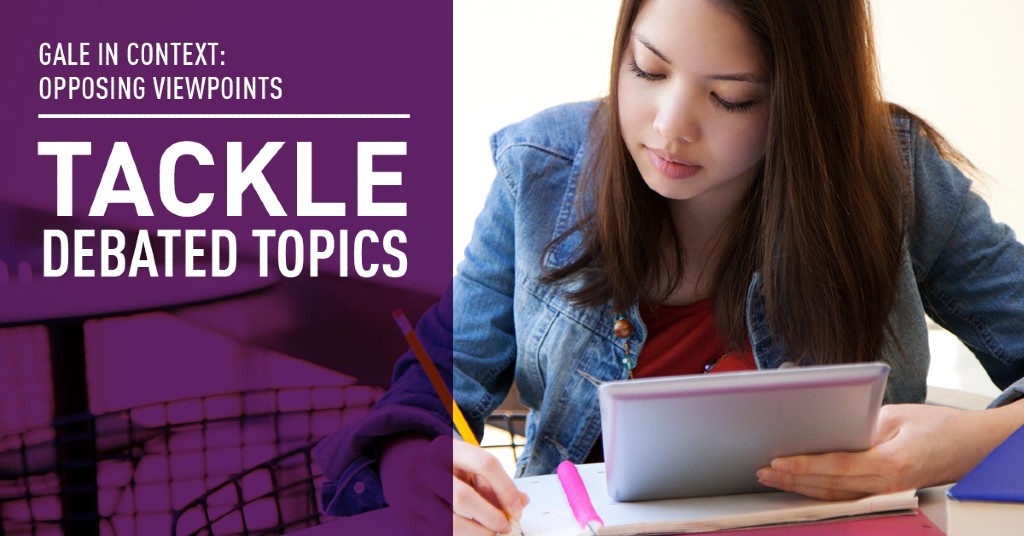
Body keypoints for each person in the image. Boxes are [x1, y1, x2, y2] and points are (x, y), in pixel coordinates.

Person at [314, 0, 1024, 534]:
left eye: (731, 96)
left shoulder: (891, 174)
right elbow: (427, 392)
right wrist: (409, 459)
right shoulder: (539, 174)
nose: (668, 126)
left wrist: (977, 441)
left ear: (807, 103)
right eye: (647, 69)